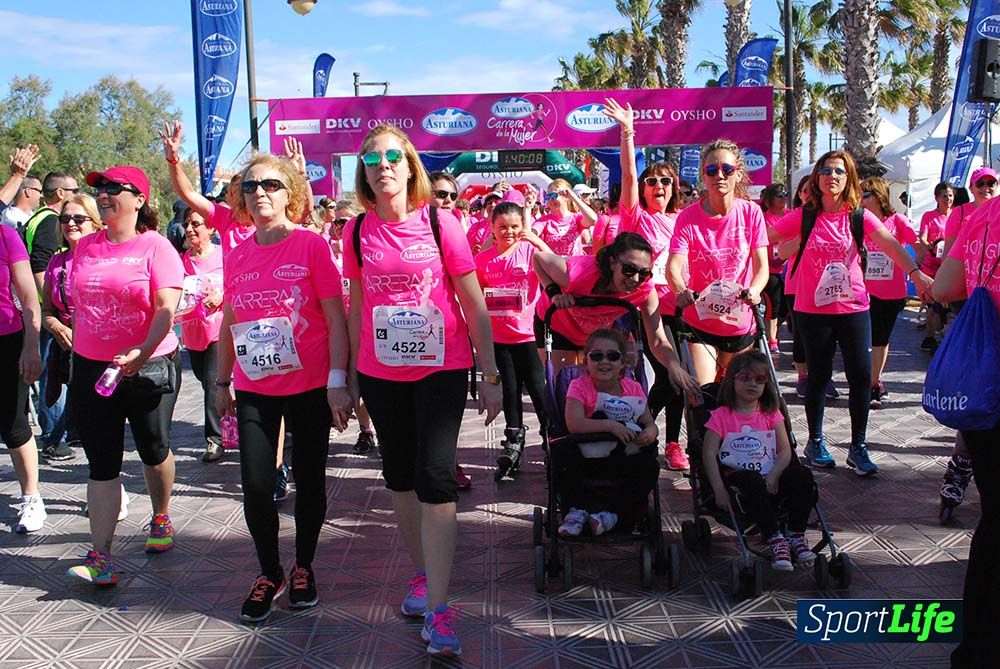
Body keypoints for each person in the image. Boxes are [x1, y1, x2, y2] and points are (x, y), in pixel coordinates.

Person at [343, 124, 502, 656]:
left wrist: (491, 375)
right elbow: (357, 308)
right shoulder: (355, 232)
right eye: (372, 160)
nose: (383, 166)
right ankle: (421, 574)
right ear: (364, 173)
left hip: (441, 369)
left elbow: (473, 303)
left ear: (410, 166)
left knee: (436, 478)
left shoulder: (441, 222)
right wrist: (347, 376)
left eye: (393, 157)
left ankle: (439, 607)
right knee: (400, 479)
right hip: (381, 373)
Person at [214, 154, 352, 622]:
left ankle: (304, 566)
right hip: (255, 386)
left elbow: (335, 318)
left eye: (271, 184)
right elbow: (229, 322)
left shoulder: (310, 245)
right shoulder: (237, 254)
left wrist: (338, 381)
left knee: (310, 480)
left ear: (289, 193)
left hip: (310, 384)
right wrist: (221, 380)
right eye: (250, 186)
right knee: (256, 485)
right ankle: (270, 571)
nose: (260, 193)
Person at [766, 151, 933, 476]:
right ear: (817, 177)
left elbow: (892, 245)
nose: (832, 176)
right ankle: (815, 441)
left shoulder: (859, 216)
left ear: (848, 178)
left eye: (839, 172)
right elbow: (762, 237)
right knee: (818, 377)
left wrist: (916, 273)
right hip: (812, 310)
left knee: (860, 377)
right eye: (826, 171)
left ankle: (858, 447)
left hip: (854, 307)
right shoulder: (804, 216)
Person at [160, 121, 295, 502]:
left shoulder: (279, 222)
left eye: (259, 187)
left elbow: (300, 209)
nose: (252, 194)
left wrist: (296, 174)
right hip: (239, 321)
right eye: (245, 188)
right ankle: (261, 462)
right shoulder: (226, 220)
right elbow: (187, 193)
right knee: (252, 399)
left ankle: (279, 466)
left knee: (278, 400)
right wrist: (173, 161)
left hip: (278, 319)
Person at [66, 166, 184, 586]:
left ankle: (161, 515)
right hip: (94, 369)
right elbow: (79, 306)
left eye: (115, 188)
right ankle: (101, 556)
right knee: (101, 462)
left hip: (147, 364)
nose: (104, 194)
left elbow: (166, 308)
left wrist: (142, 351)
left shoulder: (156, 247)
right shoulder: (86, 247)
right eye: (100, 188)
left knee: (153, 448)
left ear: (139, 199)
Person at [932, 192, 1000, 669]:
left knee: (993, 517)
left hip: (981, 383)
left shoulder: (985, 214)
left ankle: (975, 645)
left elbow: (944, 286)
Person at [603, 97, 688, 470]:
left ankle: (672, 443)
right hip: (648, 311)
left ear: (674, 187)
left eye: (665, 181)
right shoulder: (635, 216)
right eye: (651, 181)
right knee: (668, 376)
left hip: (684, 309)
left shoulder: (684, 219)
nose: (659, 186)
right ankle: (642, 426)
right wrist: (628, 132)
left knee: (681, 378)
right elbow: (628, 174)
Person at [533, 232, 700, 401]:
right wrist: (554, 293)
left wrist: (674, 366)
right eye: (629, 269)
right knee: (566, 390)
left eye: (644, 273)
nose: (635, 279)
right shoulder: (577, 274)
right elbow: (538, 258)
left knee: (598, 390)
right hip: (558, 326)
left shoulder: (645, 290)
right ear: (613, 263)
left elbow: (658, 339)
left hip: (593, 334)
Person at [666, 139, 770, 386]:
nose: (719, 176)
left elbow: (762, 267)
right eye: (711, 170)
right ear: (704, 175)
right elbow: (673, 266)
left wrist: (755, 290)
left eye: (727, 169)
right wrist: (680, 290)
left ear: (738, 174)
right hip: (700, 322)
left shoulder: (751, 212)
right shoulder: (688, 217)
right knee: (705, 393)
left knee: (738, 395)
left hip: (740, 322)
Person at [702, 351, 818, 571]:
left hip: (771, 473)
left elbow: (785, 451)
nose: (752, 383)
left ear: (766, 384)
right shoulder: (721, 416)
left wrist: (774, 474)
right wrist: (718, 490)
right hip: (740, 480)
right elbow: (708, 454)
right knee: (751, 479)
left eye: (759, 379)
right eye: (745, 377)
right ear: (732, 380)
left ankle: (795, 534)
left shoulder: (770, 413)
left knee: (803, 475)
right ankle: (774, 537)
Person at [475, 201, 551, 478]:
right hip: (499, 338)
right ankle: (513, 440)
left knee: (540, 391)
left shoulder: (530, 252)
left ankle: (551, 438)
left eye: (514, 226)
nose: (509, 232)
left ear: (523, 226)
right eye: (502, 227)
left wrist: (538, 241)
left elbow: (558, 267)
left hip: (529, 335)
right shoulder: (483, 259)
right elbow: (475, 294)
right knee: (509, 391)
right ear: (492, 228)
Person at [559, 328, 659, 536]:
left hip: (623, 458)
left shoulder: (633, 388)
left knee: (650, 464)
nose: (604, 361)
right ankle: (576, 511)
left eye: (612, 356)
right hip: (586, 457)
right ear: (586, 360)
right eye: (596, 356)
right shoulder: (578, 386)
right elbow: (574, 424)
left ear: (622, 362)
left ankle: (616, 515)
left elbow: (648, 421)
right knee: (562, 455)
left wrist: (651, 431)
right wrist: (611, 426)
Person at [22, 170, 79, 462]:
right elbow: (39, 265)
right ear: (60, 193)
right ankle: (55, 438)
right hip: (52, 314)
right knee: (54, 377)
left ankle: (67, 430)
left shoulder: (37, 218)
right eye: (74, 190)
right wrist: (53, 306)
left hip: (49, 309)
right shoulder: (48, 221)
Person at [40, 196, 101, 464]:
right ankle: (55, 439)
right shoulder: (56, 262)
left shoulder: (105, 258)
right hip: (65, 344)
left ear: (95, 223)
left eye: (78, 218)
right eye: (65, 219)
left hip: (100, 349)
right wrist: (55, 326)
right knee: (55, 389)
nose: (70, 223)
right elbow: (46, 310)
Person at [0, 199, 43, 533]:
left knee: (14, 425)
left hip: (7, 339)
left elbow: (29, 297)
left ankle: (31, 498)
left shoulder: (6, 236)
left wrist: (31, 346)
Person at [859, 177, 918, 409]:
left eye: (865, 195)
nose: (860, 199)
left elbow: (918, 246)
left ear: (878, 196)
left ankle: (875, 381)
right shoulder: (859, 220)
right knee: (866, 338)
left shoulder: (897, 220)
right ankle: (867, 382)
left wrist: (917, 271)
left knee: (881, 338)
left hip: (892, 291)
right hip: (863, 290)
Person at [328, 198, 380, 455]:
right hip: (339, 328)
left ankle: (377, 428)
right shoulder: (326, 250)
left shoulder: (368, 246)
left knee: (370, 383)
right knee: (349, 380)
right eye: (335, 222)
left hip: (367, 326)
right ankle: (365, 430)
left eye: (344, 221)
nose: (339, 227)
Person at [177, 208, 225, 462]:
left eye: (196, 224)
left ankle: (214, 439)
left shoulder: (224, 255)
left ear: (211, 228)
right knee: (204, 379)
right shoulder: (181, 261)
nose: (190, 229)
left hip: (219, 330)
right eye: (187, 224)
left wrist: (222, 294)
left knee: (212, 382)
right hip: (194, 332)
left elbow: (236, 282)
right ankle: (229, 417)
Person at [917, 182, 954, 352]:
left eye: (950, 195)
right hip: (931, 266)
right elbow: (922, 237)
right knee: (933, 304)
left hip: (949, 266)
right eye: (944, 196)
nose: (948, 199)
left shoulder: (956, 215)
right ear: (937, 198)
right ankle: (928, 337)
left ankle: (942, 336)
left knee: (945, 305)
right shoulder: (929, 216)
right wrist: (929, 246)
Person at [759, 183, 789, 353]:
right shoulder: (763, 218)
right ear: (769, 199)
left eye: (785, 193)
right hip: (770, 269)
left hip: (789, 268)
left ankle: (773, 332)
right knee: (773, 304)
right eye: (779, 194)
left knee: (786, 307)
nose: (783, 197)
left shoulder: (791, 215)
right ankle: (771, 340)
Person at [533, 178, 597, 256]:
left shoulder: (576, 218)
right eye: (548, 196)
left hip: (574, 262)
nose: (550, 200)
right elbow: (531, 234)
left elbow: (593, 219)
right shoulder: (544, 220)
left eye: (553, 195)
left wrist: (573, 197)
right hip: (555, 263)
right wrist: (527, 208)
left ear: (566, 197)